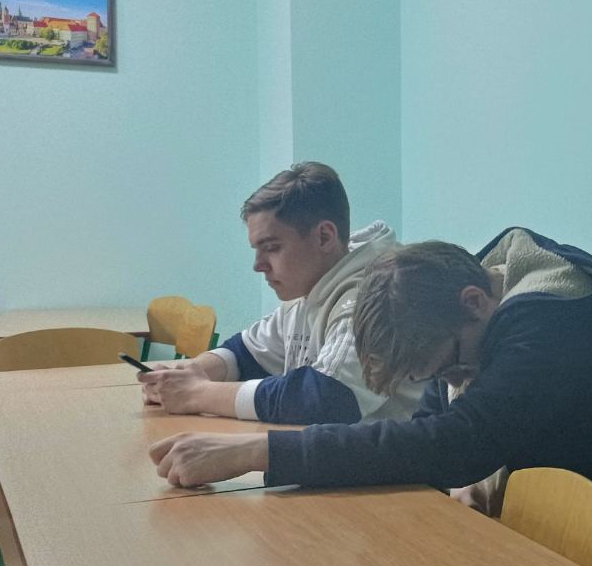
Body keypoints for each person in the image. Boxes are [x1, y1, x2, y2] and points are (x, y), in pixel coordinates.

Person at [146, 227, 592, 566]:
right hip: (563, 549)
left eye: (451, 369)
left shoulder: (549, 327)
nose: (452, 380)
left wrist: (261, 453)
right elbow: (431, 433)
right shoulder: (460, 325)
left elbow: (455, 446)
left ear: (475, 302)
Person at [138, 162, 426, 425]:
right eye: (257, 250)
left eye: (272, 248)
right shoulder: (313, 285)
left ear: (324, 237)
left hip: (399, 465)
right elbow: (245, 353)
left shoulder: (378, 296)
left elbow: (329, 397)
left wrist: (197, 394)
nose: (258, 265)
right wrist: (190, 374)